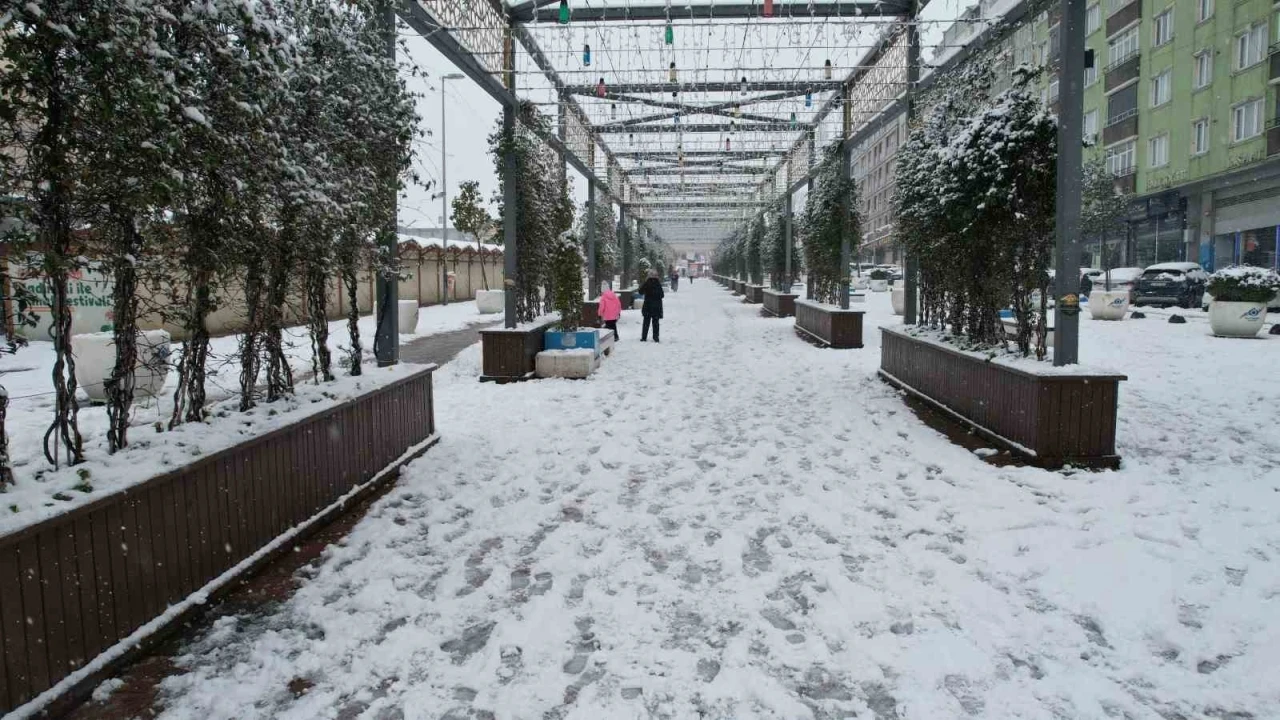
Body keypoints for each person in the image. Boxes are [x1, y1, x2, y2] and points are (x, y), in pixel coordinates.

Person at [640, 269, 664, 342]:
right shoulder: (658, 284)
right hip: (656, 307)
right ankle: (656, 337)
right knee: (655, 322)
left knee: (646, 322)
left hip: (648, 306)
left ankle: (644, 337)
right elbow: (662, 295)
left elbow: (640, 291)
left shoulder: (647, 283)